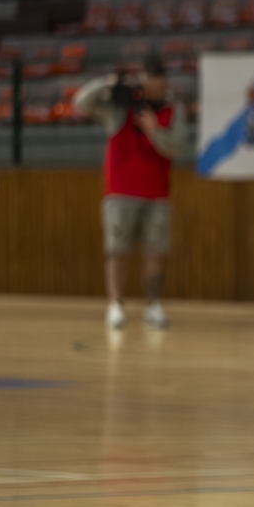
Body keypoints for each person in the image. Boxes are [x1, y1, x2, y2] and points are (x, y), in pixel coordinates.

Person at [74, 55, 189, 330]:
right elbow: (80, 103)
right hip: (120, 194)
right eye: (149, 85)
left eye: (159, 86)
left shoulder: (173, 110)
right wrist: (107, 83)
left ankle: (153, 307)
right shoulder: (120, 108)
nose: (154, 92)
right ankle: (116, 306)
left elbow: (175, 147)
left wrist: (154, 131)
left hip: (156, 195)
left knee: (155, 253)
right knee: (117, 252)